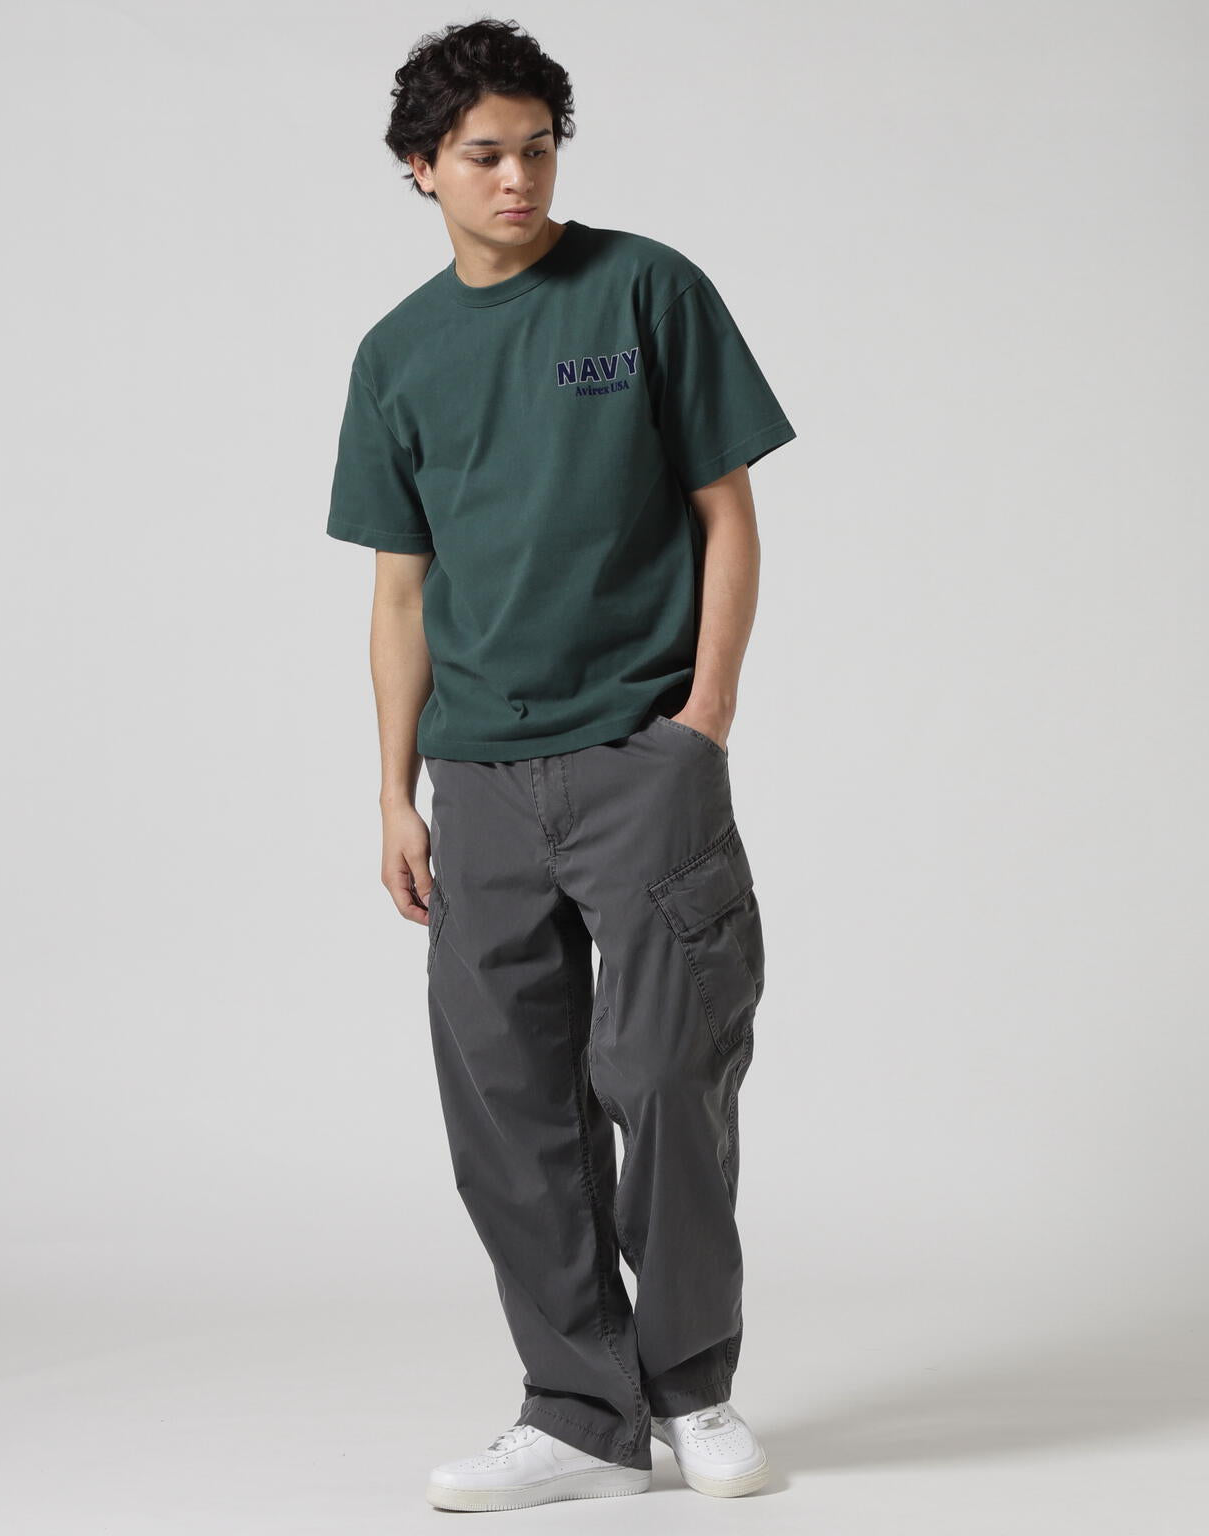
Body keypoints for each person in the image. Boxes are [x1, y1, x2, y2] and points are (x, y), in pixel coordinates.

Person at [326, 18, 797, 1513]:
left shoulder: (647, 289)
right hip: (476, 779)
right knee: (510, 1107)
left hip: (640, 756)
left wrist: (702, 722)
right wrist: (393, 792)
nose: (519, 178)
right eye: (485, 155)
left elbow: (728, 514)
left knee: (667, 1074)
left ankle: (694, 1389)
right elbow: (401, 592)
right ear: (422, 168)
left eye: (539, 149)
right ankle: (582, 1415)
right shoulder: (397, 355)